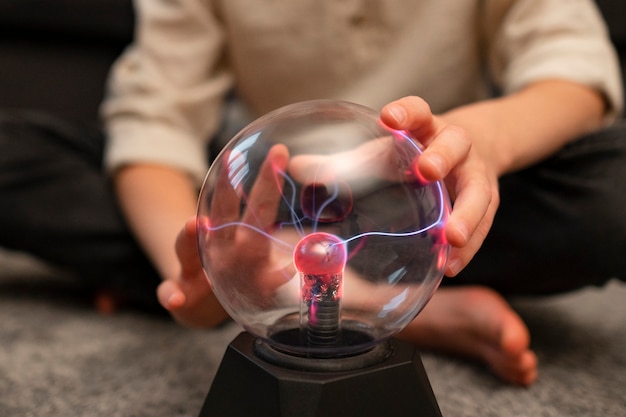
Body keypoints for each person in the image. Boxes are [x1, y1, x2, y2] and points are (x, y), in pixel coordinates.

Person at [1, 0, 624, 387]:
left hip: (425, 197)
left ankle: (352, 285)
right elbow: (152, 126)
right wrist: (196, 276)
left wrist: (481, 139)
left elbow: (571, 71)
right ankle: (389, 300)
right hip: (259, 204)